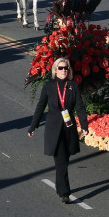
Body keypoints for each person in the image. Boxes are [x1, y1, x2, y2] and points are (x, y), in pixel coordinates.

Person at [28, 58, 89, 203]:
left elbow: (80, 107)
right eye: (61, 68)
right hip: (54, 127)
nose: (64, 70)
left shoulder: (73, 86)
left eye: (66, 68)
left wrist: (85, 126)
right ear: (55, 70)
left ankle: (60, 186)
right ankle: (65, 193)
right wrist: (33, 126)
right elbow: (41, 106)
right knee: (60, 159)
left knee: (64, 160)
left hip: (68, 127)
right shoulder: (49, 86)